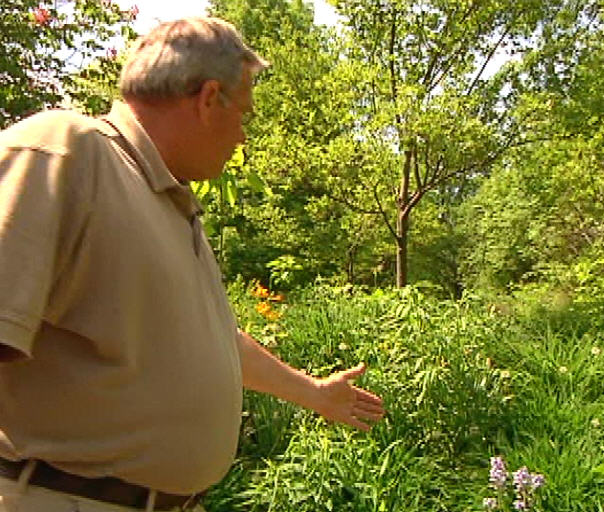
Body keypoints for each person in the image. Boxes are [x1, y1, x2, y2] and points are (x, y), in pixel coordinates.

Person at [0, 17, 384, 512]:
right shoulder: (66, 150)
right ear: (208, 99)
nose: (242, 137)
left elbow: (215, 342)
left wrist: (314, 394)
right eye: (242, 115)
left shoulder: (167, 200)